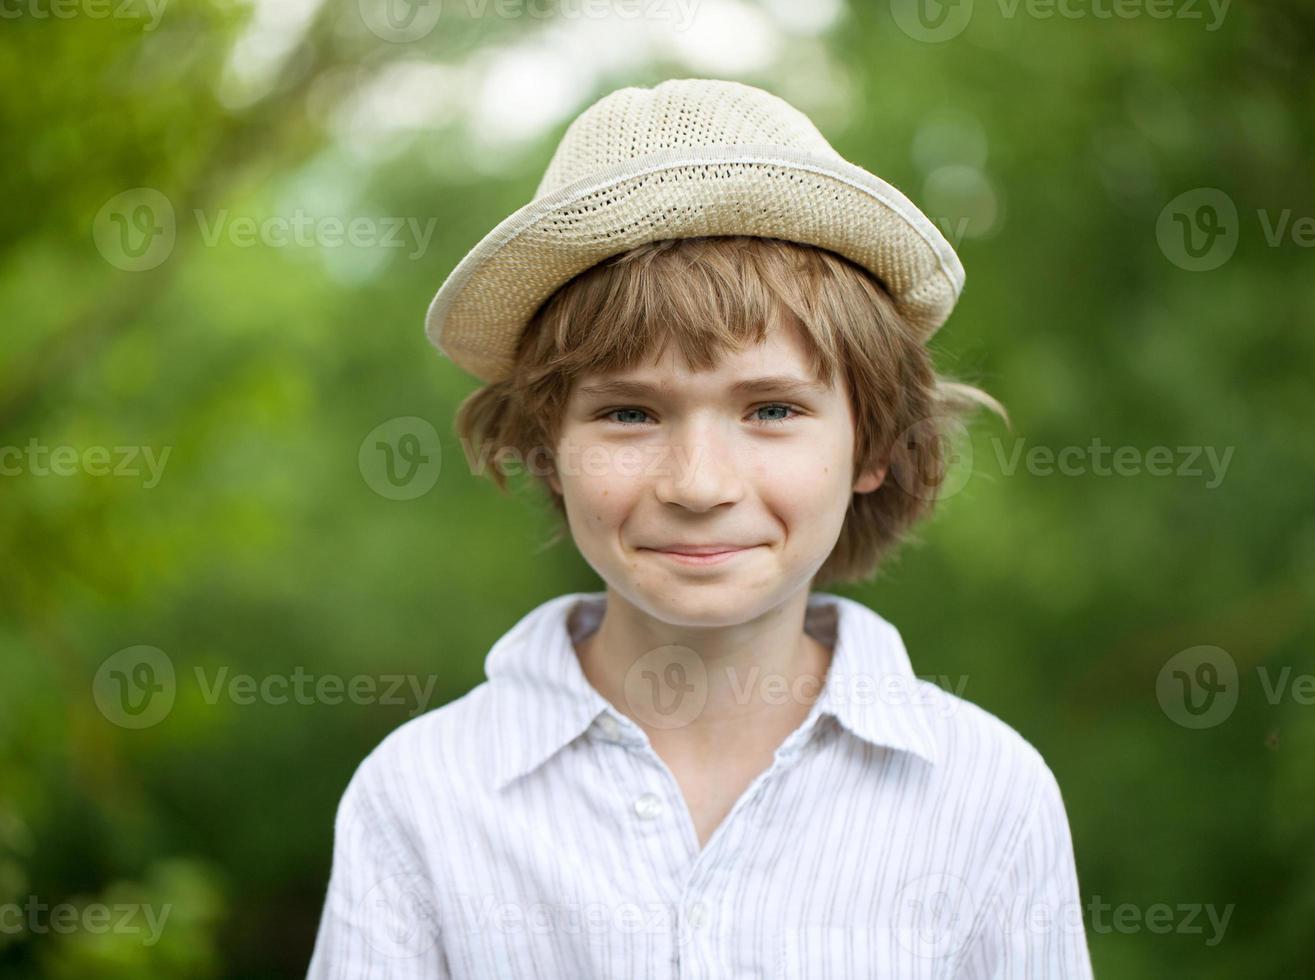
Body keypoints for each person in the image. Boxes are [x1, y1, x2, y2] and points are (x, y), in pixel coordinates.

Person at [307, 77, 1092, 978]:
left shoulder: (988, 795)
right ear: (544, 449)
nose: (699, 483)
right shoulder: (421, 796)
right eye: (630, 416)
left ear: (872, 443)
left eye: (771, 410)